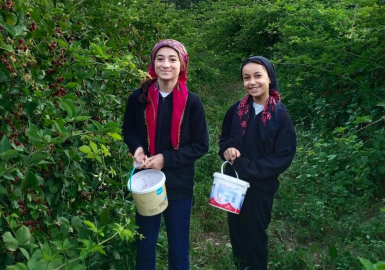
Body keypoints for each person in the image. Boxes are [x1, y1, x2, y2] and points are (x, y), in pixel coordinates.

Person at [122, 39, 209, 270]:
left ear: (182, 65)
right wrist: (138, 148)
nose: (166, 64)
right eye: (160, 59)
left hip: (179, 184)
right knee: (145, 242)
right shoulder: (139, 98)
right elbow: (129, 130)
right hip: (147, 183)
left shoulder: (192, 103)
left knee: (179, 246)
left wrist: (165, 159)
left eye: (173, 59)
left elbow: (201, 145)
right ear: (153, 64)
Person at [218, 56, 297, 270]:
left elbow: (283, 155)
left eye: (258, 76)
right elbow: (224, 139)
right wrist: (227, 149)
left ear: (269, 78)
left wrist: (248, 168)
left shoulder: (280, 115)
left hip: (261, 188)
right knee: (236, 232)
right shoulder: (236, 110)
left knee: (255, 234)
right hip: (233, 185)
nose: (252, 82)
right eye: (246, 77)